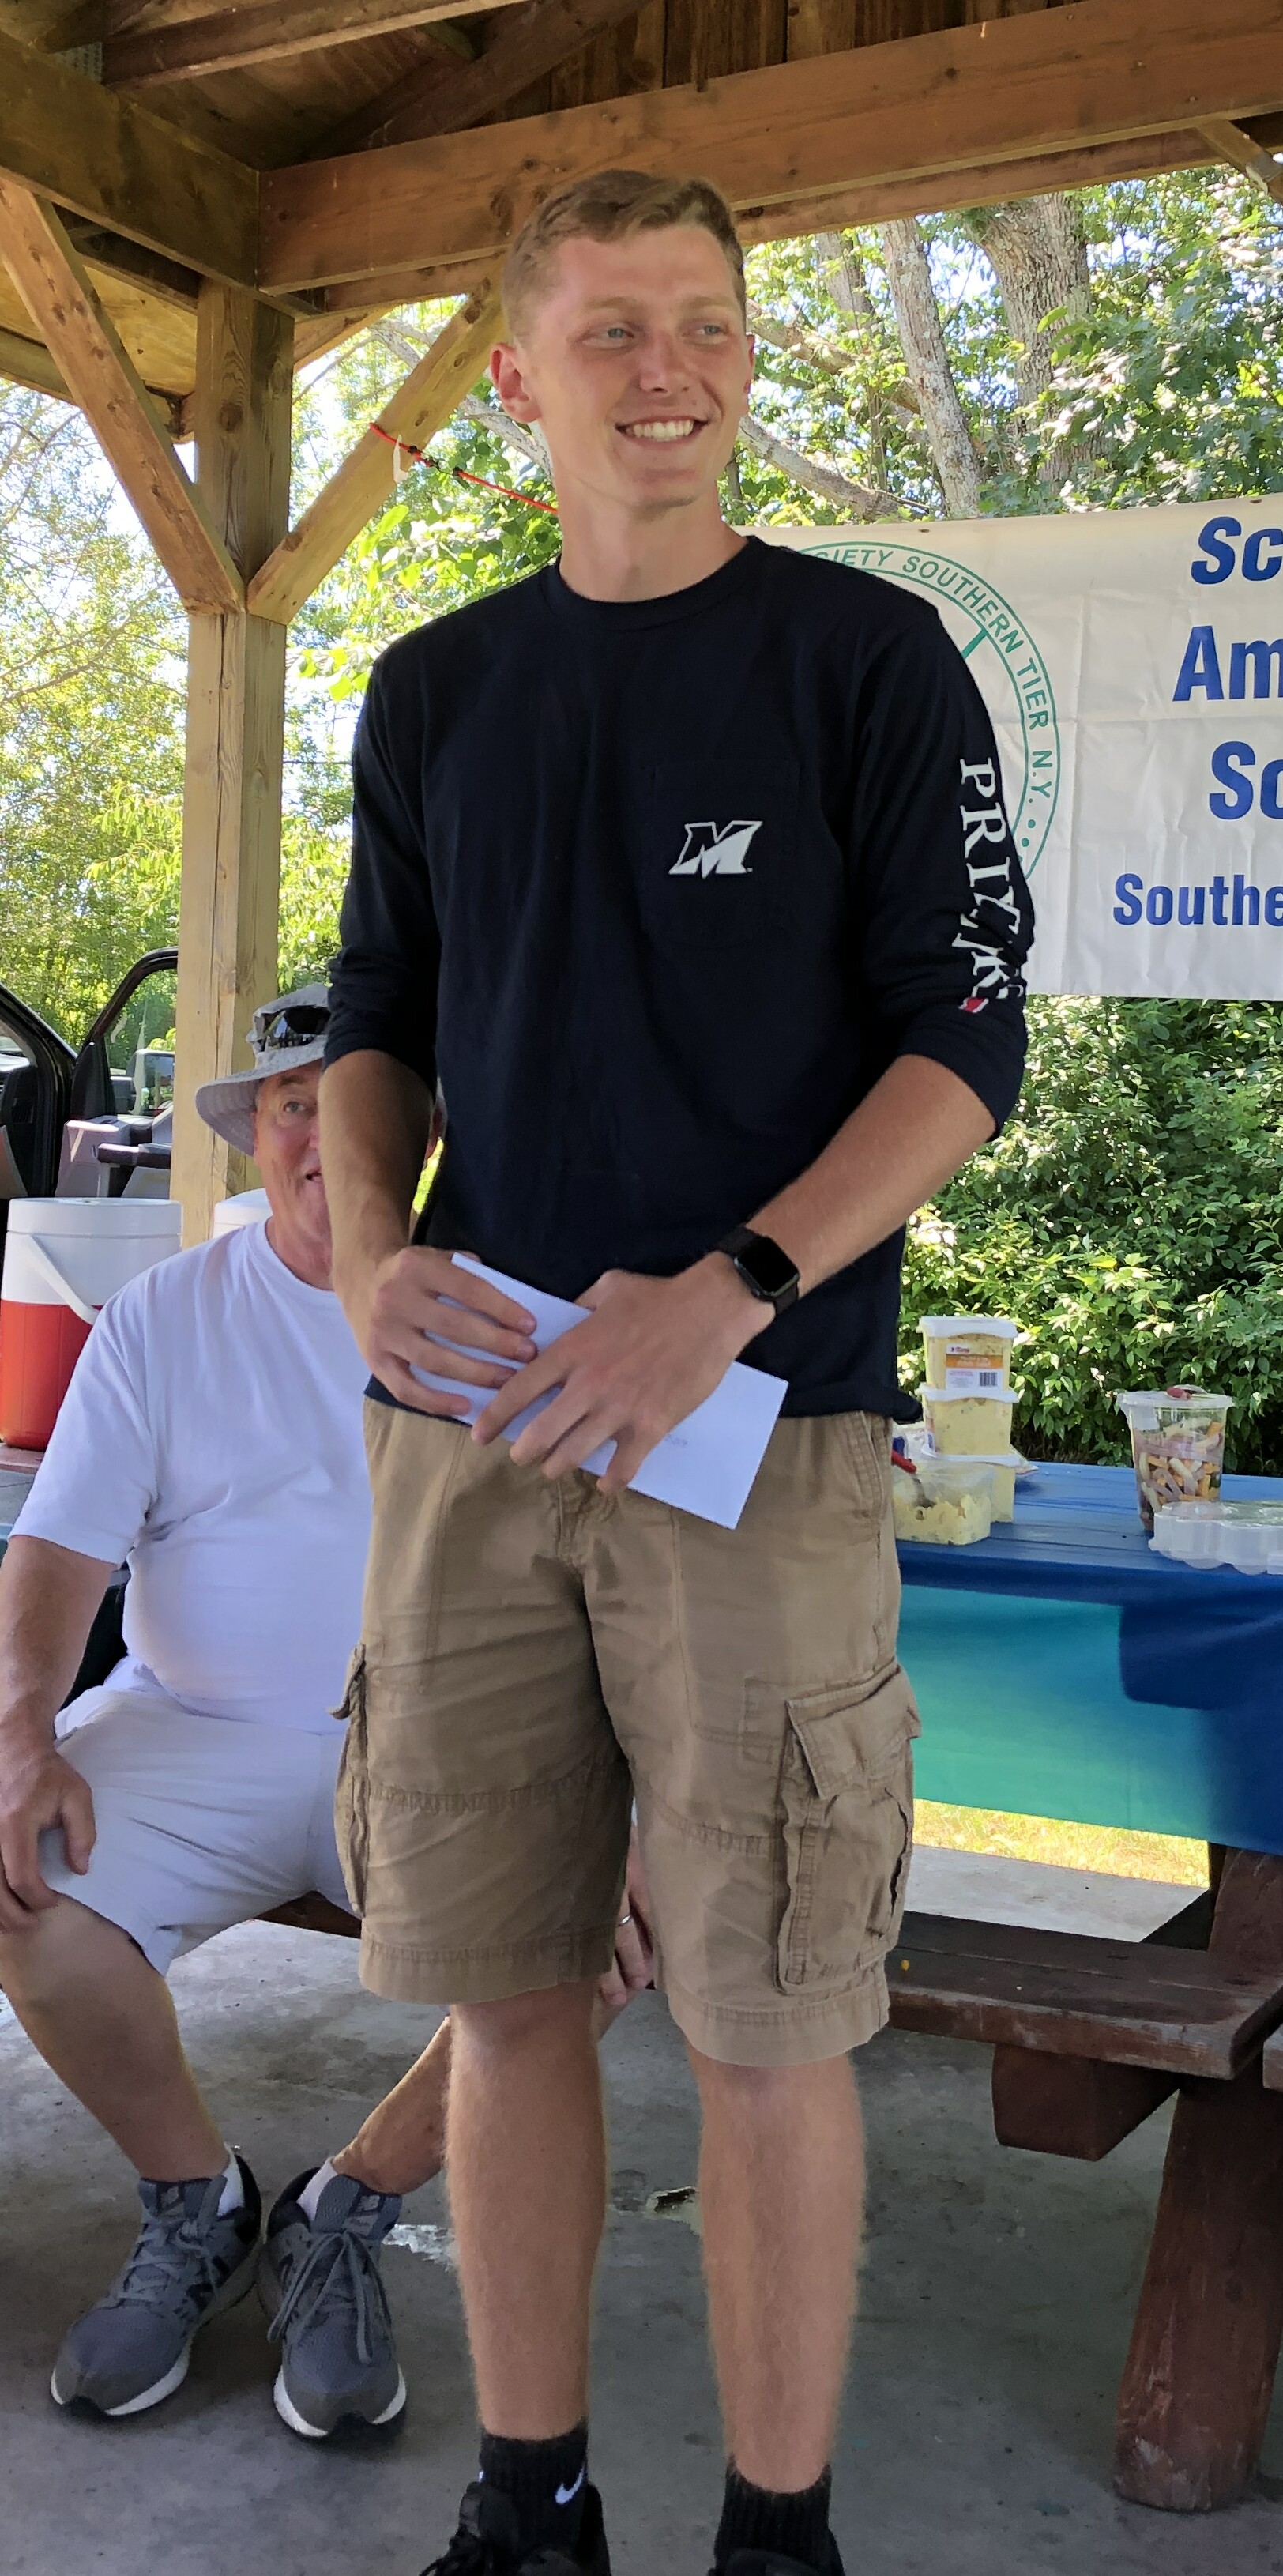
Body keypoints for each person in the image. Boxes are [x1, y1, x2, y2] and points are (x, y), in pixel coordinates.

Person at [319, 170, 1034, 2576]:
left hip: (769, 1429)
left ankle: (776, 2533)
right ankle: (530, 2505)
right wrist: (362, 1260)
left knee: (768, 2013)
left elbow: (967, 1042)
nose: (673, 372)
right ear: (516, 380)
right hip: (476, 1434)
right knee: (503, 1993)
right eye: (614, 329)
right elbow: (376, 1024)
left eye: (709, 324)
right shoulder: (435, 690)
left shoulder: (866, 658)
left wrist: (727, 1280)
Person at [0, 989, 453, 2440]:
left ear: (421, 1131)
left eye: (355, 1100)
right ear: (257, 1134)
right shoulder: (167, 1312)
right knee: (16, 1871)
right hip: (191, 1726)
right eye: (291, 1103)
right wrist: (19, 1735)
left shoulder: (496, 1298)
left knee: (600, 1930)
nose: (322, 1133)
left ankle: (348, 2206)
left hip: (435, 1748)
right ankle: (197, 2200)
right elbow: (59, 1546)